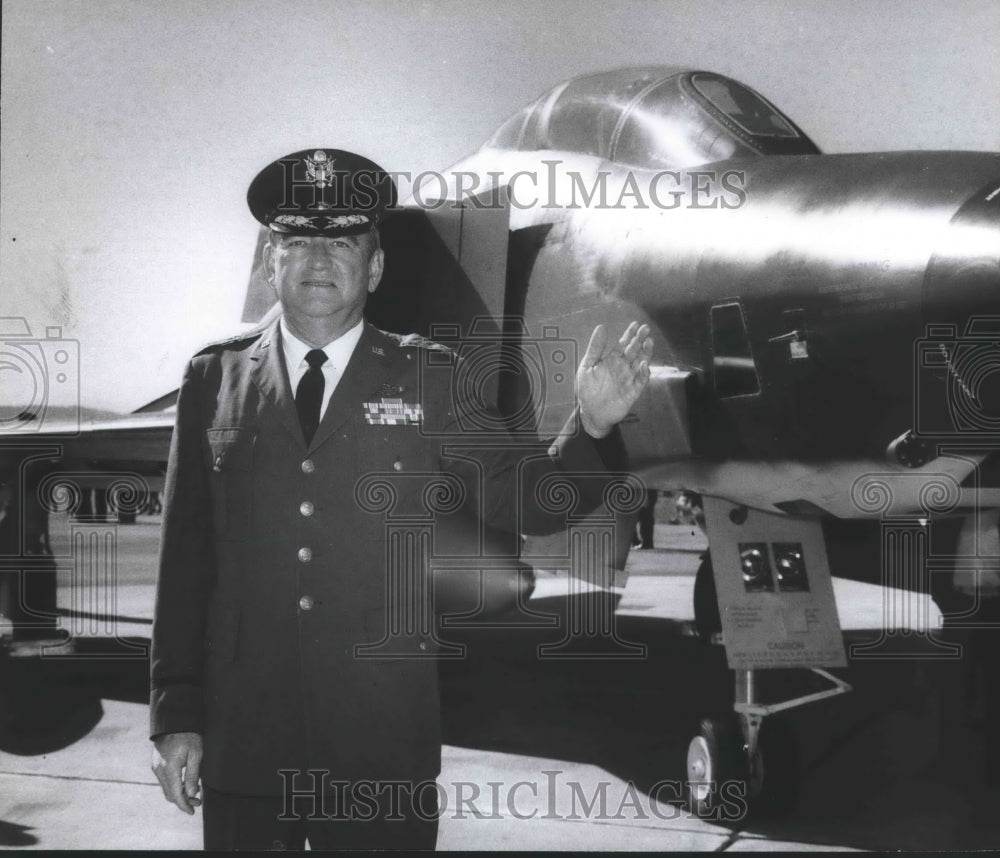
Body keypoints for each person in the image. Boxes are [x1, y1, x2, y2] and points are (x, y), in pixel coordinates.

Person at [149, 148, 654, 850]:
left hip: (379, 749)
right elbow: (186, 564)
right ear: (272, 262)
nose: (319, 259)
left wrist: (592, 426)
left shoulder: (432, 376)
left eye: (343, 241)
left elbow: (526, 500)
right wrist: (176, 715)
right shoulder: (214, 379)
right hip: (246, 744)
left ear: (376, 266)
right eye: (299, 240)